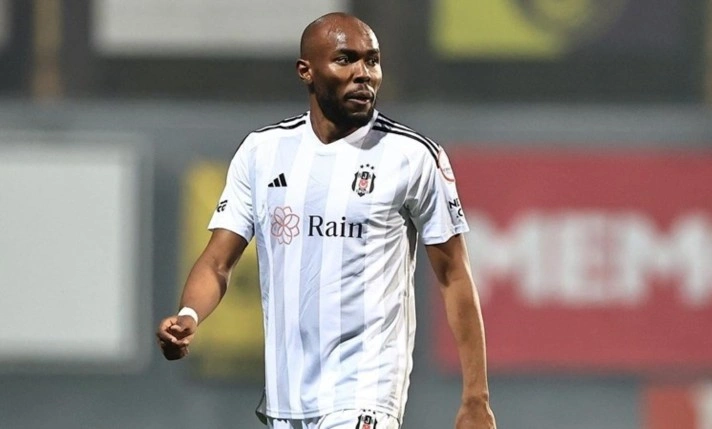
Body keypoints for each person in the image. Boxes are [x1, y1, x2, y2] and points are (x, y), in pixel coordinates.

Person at [156, 12, 496, 429]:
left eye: (372, 60)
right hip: (287, 400)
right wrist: (189, 315)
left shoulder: (412, 156)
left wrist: (475, 397)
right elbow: (217, 262)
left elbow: (454, 275)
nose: (363, 73)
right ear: (307, 71)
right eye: (345, 59)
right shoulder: (263, 152)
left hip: (367, 390)